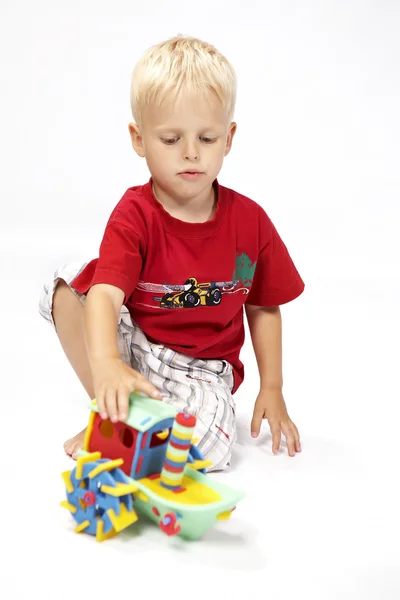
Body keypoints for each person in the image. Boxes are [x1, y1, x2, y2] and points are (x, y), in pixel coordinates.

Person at [39, 35, 304, 471]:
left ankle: (137, 437)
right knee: (68, 286)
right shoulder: (135, 213)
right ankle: (111, 416)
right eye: (170, 139)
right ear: (139, 139)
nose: (191, 152)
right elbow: (105, 295)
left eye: (206, 137)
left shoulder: (250, 221)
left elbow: (263, 305)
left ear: (229, 138)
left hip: (202, 369)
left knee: (212, 449)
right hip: (141, 345)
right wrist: (106, 363)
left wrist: (271, 387)